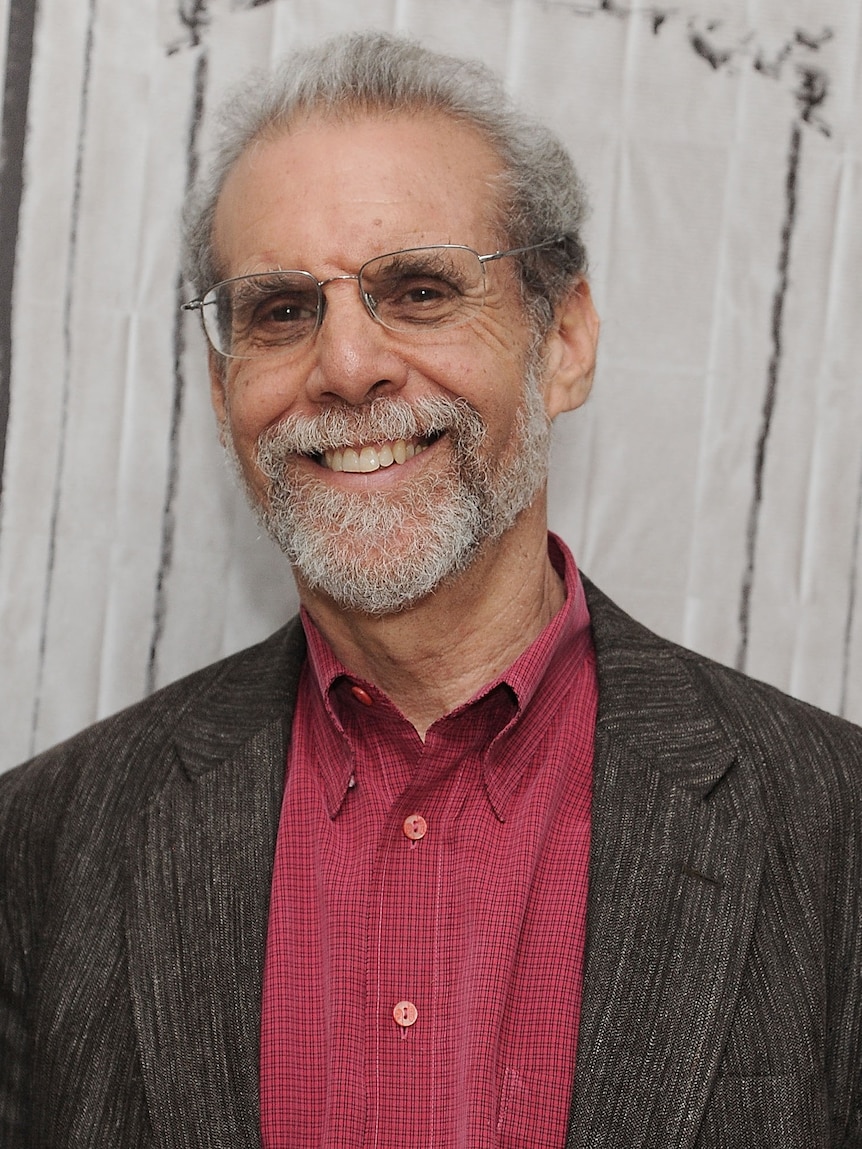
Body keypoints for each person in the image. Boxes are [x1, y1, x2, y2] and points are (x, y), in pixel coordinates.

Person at [0, 30, 859, 1149]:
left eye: (417, 289)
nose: (347, 365)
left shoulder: (831, 830)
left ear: (564, 342)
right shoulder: (45, 847)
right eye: (280, 310)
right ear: (222, 392)